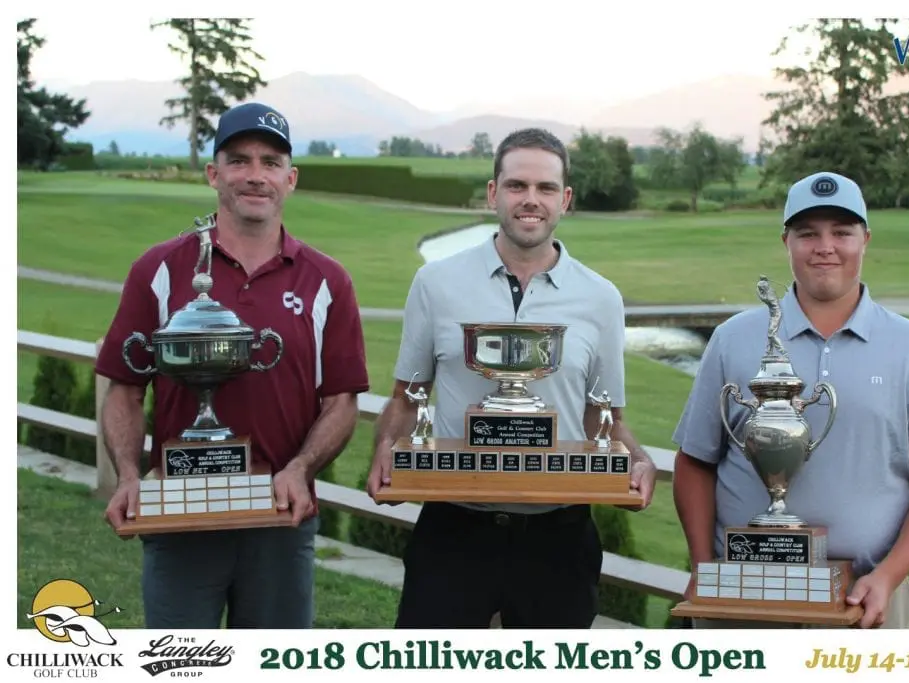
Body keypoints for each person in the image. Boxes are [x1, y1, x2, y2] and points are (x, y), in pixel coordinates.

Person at [367, 128, 657, 629]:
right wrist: (385, 451)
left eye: (546, 189)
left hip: (558, 536)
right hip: (455, 527)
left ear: (564, 199)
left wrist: (639, 460)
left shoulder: (601, 297)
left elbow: (602, 415)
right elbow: (408, 396)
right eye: (517, 185)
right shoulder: (436, 282)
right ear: (493, 192)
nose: (531, 200)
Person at [96, 101, 370, 629]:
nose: (255, 175)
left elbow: (341, 402)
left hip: (279, 518)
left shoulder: (327, 280)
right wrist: (129, 476)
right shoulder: (159, 268)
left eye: (270, 163)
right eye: (239, 160)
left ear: (290, 179)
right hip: (179, 515)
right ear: (212, 173)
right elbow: (125, 388)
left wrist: (300, 470)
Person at [671, 171, 909, 630]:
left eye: (842, 232)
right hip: (743, 598)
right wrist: (702, 568)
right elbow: (695, 462)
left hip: (866, 600)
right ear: (786, 242)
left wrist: (890, 576)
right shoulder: (733, 340)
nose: (825, 247)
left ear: (865, 239)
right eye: (807, 233)